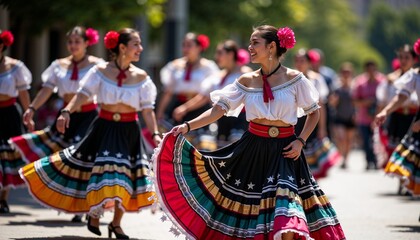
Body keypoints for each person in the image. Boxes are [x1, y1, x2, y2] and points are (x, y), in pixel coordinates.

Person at [153, 25, 345, 240]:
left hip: (285, 151)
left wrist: (301, 141)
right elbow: (218, 110)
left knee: (286, 212)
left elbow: (313, 113)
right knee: (250, 207)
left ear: (271, 46)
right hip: (252, 148)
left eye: (255, 43)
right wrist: (187, 126)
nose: (249, 47)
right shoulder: (247, 80)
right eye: (250, 42)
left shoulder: (295, 79)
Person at [20, 28, 160, 239]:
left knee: (127, 177)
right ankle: (95, 211)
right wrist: (66, 111)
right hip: (103, 127)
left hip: (129, 130)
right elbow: (82, 94)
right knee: (105, 173)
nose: (140, 49)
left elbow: (148, 111)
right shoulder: (100, 71)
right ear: (122, 48)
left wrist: (155, 133)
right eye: (136, 44)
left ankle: (115, 224)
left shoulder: (142, 77)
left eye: (140, 44)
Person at [9, 26, 102, 222]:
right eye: (70, 41)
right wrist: (32, 108)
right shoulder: (58, 65)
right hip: (66, 117)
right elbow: (46, 90)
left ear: (87, 43)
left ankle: (84, 206)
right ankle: (72, 202)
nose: (73, 45)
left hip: (88, 116)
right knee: (61, 159)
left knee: (82, 158)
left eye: (78, 41)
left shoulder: (97, 66)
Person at [375, 38, 420, 199]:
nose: (403, 60)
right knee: (408, 154)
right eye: (401, 57)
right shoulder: (413, 76)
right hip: (402, 117)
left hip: (415, 118)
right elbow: (399, 97)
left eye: (407, 57)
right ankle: (405, 183)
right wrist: (384, 112)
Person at [294, 48, 341, 179]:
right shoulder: (290, 79)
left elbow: (321, 106)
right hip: (295, 122)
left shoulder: (316, 79)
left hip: (311, 120)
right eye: (297, 60)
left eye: (302, 60)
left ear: (309, 62)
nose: (299, 63)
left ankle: (311, 184)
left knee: (312, 155)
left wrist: (322, 128)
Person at [0, 30, 32, 213]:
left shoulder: (15, 67)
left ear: (2, 46)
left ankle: (3, 197)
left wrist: (29, 113)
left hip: (9, 113)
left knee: (6, 156)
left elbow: (23, 93)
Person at [156, 32, 219, 125]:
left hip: (199, 109)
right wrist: (160, 113)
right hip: (177, 108)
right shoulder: (175, 65)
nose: (185, 49)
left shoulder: (208, 67)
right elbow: (168, 92)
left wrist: (185, 108)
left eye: (189, 45)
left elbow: (206, 95)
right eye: (184, 45)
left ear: (199, 48)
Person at [352, 60, 386, 170]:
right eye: (369, 69)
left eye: (373, 69)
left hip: (379, 118)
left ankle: (377, 161)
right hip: (364, 118)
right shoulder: (360, 82)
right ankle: (368, 161)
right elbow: (355, 101)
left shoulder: (382, 81)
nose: (371, 71)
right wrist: (367, 102)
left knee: (377, 141)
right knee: (366, 142)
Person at [329, 62, 356, 169]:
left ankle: (345, 159)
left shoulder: (354, 87)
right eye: (344, 72)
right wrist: (334, 100)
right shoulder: (337, 88)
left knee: (349, 141)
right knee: (341, 138)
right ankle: (341, 156)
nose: (346, 74)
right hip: (339, 116)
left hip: (351, 116)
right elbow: (331, 102)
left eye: (348, 72)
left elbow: (356, 103)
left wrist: (356, 114)